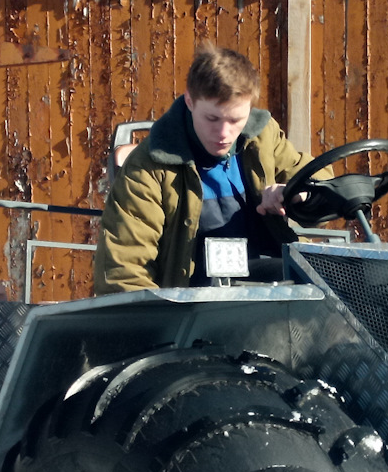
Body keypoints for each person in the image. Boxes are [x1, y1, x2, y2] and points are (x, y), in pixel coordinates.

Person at [94, 46, 313, 293]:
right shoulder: (147, 169)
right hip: (195, 309)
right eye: (212, 119)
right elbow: (124, 273)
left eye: (235, 120)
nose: (223, 133)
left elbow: (317, 181)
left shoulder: (263, 137)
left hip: (277, 295)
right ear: (189, 101)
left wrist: (295, 193)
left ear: (250, 109)